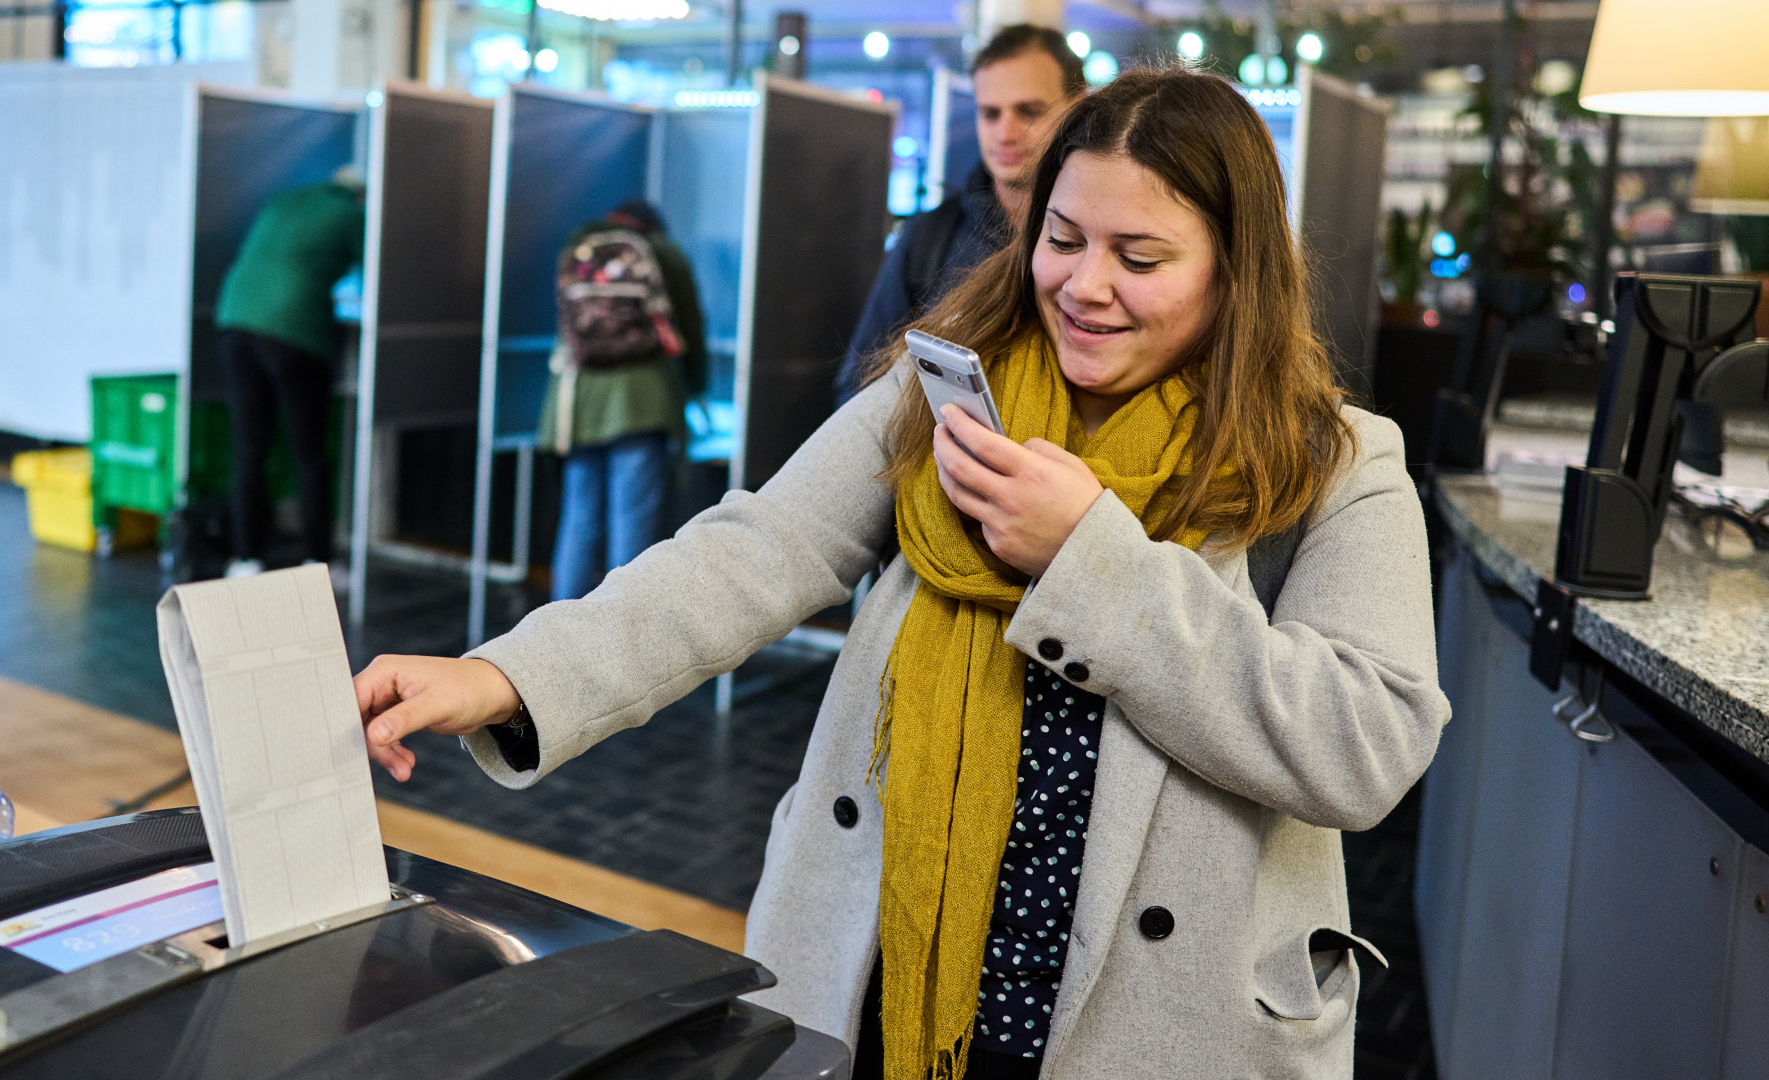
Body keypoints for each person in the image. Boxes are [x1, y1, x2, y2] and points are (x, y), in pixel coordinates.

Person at [355, 67, 1448, 1079]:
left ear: (1235, 270)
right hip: (890, 969)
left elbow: (1366, 744)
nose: (1084, 286)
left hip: (1159, 1017)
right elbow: (757, 550)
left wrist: (1087, 558)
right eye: (1061, 238)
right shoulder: (949, 394)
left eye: (1141, 258)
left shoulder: (1334, 463)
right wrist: (504, 677)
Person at [833, 25, 1086, 404]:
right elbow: (860, 385)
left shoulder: (1104, 240)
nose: (1006, 132)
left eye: (1029, 111)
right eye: (990, 113)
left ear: (1079, 107)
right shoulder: (931, 237)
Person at [542, 200, 706, 602]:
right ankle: (621, 638)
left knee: (579, 520)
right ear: (654, 228)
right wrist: (696, 386)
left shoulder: (577, 247)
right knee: (632, 521)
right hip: (640, 401)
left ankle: (557, 635)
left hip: (576, 403)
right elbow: (690, 324)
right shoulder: (662, 252)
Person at [214, 164, 364, 581]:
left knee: (248, 447)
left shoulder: (285, 200)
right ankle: (319, 562)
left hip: (235, 320)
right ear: (361, 194)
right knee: (309, 452)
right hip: (293, 330)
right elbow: (377, 274)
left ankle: (245, 559)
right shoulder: (353, 214)